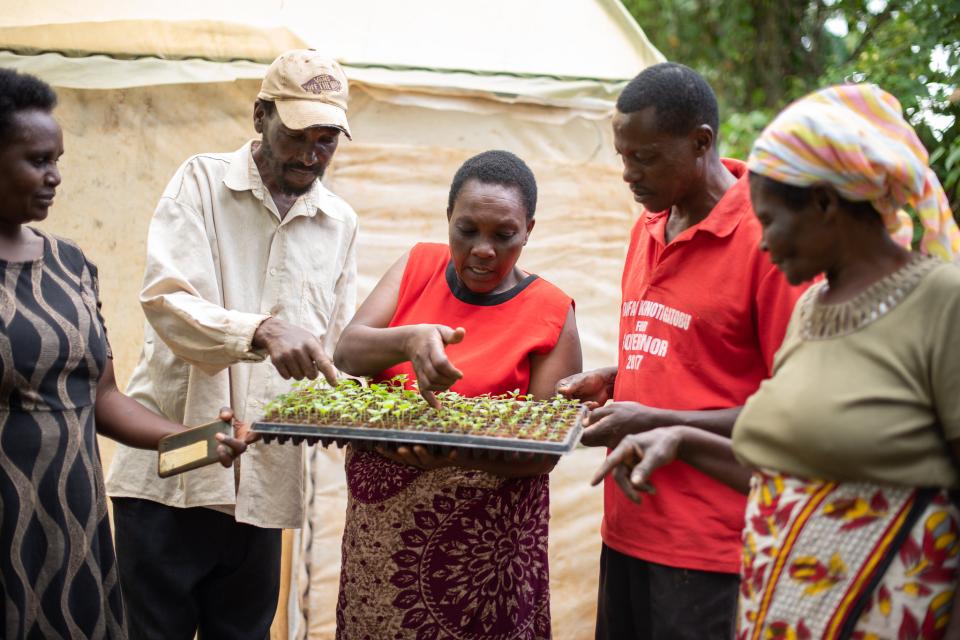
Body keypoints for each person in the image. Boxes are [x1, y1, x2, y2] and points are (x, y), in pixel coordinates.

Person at [594, 83, 960, 639]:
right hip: (783, 608)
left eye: (770, 221)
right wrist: (679, 439)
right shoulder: (816, 308)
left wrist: (664, 423)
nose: (760, 244)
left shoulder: (943, 302)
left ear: (824, 204)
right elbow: (784, 469)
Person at [104, 50, 359, 639]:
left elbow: (336, 349)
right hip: (174, 473)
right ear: (259, 115)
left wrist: (373, 418)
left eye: (327, 139)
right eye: (297, 134)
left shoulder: (340, 222)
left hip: (265, 485)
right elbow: (167, 301)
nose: (310, 154)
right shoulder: (200, 181)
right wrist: (261, 331)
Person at [555, 62, 809, 639]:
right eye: (623, 155)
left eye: (644, 157)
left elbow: (794, 413)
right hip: (626, 528)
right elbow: (696, 358)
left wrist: (655, 418)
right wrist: (619, 380)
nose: (627, 173)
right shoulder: (648, 226)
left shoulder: (767, 244)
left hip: (711, 549)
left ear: (701, 143)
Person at [0, 69, 249, 639]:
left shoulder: (69, 265)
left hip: (72, 517)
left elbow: (102, 397)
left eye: (58, 158)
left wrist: (199, 443)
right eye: (37, 160)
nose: (55, 176)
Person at [331, 149, 582, 639]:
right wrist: (406, 338)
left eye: (504, 235)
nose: (483, 249)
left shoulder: (550, 311)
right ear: (448, 218)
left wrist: (453, 452)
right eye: (467, 230)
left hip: (482, 562)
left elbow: (543, 453)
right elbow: (347, 352)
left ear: (529, 228)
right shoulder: (419, 265)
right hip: (381, 549)